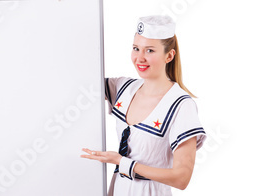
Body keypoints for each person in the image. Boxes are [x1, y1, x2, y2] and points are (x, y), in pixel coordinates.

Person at [80, 15, 206, 196]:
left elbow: (181, 178)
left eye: (150, 51)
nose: (139, 58)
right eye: (136, 48)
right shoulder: (123, 87)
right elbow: (81, 82)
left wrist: (122, 162)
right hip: (118, 189)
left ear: (169, 56)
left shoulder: (181, 105)